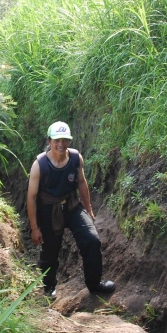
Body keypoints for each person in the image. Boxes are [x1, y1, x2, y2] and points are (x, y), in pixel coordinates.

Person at [27, 121, 116, 298]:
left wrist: (89, 209)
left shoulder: (76, 158)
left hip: (72, 206)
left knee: (91, 240)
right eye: (57, 140)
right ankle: (49, 287)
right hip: (48, 210)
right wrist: (34, 227)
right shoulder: (40, 165)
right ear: (49, 141)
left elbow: (82, 182)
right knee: (50, 251)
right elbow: (31, 197)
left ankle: (94, 283)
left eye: (65, 140)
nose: (61, 144)